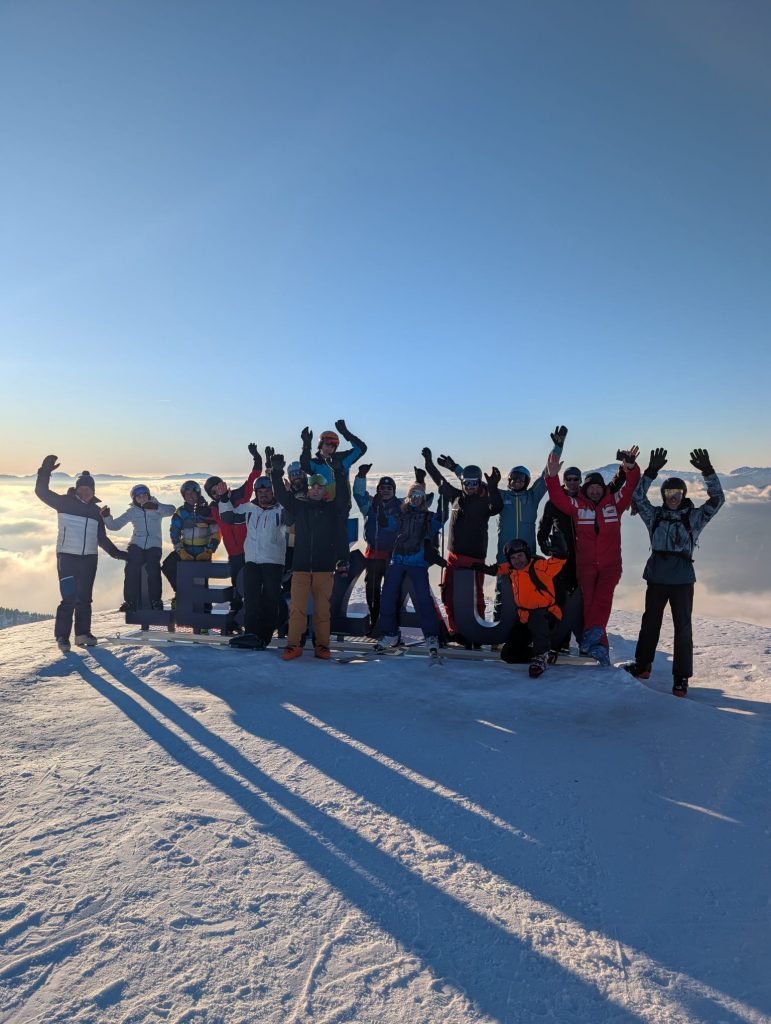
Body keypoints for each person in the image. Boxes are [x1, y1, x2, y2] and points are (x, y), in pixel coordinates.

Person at [624, 448, 725, 697]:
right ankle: (643, 666)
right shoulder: (655, 516)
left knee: (682, 628)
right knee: (650, 623)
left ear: (683, 494)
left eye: (677, 493)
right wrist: (650, 471)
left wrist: (708, 471)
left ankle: (680, 678)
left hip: (679, 581)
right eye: (669, 493)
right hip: (659, 579)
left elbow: (718, 499)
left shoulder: (694, 517)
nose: (673, 497)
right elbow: (637, 497)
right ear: (664, 495)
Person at [437, 427, 567, 620]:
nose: (516, 482)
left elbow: (547, 474)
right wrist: (455, 467)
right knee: (503, 594)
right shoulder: (501, 497)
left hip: (528, 557)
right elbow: (474, 482)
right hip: (505, 556)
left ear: (526, 481)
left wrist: (557, 447)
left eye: (521, 479)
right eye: (513, 479)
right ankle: (499, 625)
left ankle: (527, 628)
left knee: (529, 593)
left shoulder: (532, 497)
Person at [545, 447, 640, 665]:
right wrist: (551, 476)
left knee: (603, 599)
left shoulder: (615, 504)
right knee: (589, 605)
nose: (595, 491)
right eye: (591, 488)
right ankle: (600, 648)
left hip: (610, 565)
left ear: (603, 489)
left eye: (598, 487)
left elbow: (631, 484)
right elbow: (558, 498)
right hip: (586, 565)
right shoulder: (578, 506)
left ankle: (591, 638)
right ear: (585, 490)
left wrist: (631, 467)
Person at [35, 457, 128, 650]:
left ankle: (82, 634)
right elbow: (41, 492)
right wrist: (45, 472)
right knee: (69, 598)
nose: (85, 492)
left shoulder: (96, 511)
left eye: (89, 490)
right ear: (76, 489)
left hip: (89, 559)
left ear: (93, 492)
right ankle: (62, 637)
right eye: (82, 489)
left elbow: (101, 538)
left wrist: (118, 554)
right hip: (67, 557)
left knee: (84, 598)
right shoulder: (64, 503)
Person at [270, 454, 350, 660]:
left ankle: (322, 646)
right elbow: (281, 496)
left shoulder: (332, 509)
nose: (315, 489)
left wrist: (339, 472)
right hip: (301, 567)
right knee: (297, 610)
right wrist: (276, 473)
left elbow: (343, 498)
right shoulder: (299, 507)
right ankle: (294, 645)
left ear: (324, 491)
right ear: (308, 489)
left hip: (324, 568)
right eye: (312, 486)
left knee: (322, 611)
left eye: (319, 487)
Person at [422, 448, 502, 643]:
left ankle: (478, 631)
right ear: (462, 483)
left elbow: (497, 507)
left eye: (474, 483)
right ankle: (455, 630)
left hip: (475, 558)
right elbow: (438, 479)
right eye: (467, 483)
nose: (470, 487)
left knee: (476, 595)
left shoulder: (485, 501)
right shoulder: (456, 497)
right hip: (453, 556)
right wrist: (428, 462)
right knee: (448, 593)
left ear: (479, 483)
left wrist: (493, 487)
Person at [375, 481, 446, 657]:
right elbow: (388, 525)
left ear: (423, 498)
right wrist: (380, 512)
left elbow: (440, 520)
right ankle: (390, 634)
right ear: (408, 496)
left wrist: (443, 500)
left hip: (417, 563)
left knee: (423, 599)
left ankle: (431, 636)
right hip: (398, 560)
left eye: (419, 495)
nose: (416, 498)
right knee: (387, 598)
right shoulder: (400, 515)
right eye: (413, 494)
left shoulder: (428, 518)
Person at [483, 533, 568, 676]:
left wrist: (561, 552)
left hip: (547, 617)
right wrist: (490, 569)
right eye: (513, 558)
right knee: (508, 655)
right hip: (525, 618)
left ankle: (541, 657)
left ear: (527, 554)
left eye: (520, 556)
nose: (517, 560)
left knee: (536, 615)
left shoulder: (539, 566)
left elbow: (558, 562)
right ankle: (545, 654)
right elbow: (502, 568)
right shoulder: (512, 569)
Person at [204, 443, 263, 632]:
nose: (217, 493)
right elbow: (222, 519)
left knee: (254, 587)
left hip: (250, 551)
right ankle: (236, 622)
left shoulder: (239, 495)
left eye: (218, 487)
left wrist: (257, 457)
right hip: (234, 554)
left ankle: (255, 621)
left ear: (224, 485)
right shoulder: (214, 507)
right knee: (238, 589)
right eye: (213, 492)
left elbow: (254, 477)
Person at [230, 475, 289, 650]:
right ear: (256, 493)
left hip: (273, 562)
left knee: (270, 601)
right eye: (260, 491)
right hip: (252, 561)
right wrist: (224, 499)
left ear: (273, 492)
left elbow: (291, 520)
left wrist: (288, 497)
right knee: (250, 600)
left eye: (267, 491)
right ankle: (250, 635)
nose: (263, 494)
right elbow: (228, 517)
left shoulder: (280, 509)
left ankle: (264, 638)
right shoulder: (249, 508)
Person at [101, 484, 175, 611]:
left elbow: (172, 510)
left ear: (149, 495)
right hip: (136, 544)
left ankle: (156, 601)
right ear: (134, 499)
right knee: (131, 567)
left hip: (154, 545)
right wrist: (107, 517)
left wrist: (157, 507)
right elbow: (115, 526)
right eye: (138, 496)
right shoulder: (132, 511)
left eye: (144, 495)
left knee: (153, 569)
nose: (142, 498)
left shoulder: (157, 507)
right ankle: (130, 602)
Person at [537, 466, 583, 655]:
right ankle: (559, 640)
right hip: (561, 559)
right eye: (568, 479)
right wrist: (546, 547)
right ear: (563, 481)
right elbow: (543, 528)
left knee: (581, 599)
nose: (572, 482)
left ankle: (582, 638)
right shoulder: (554, 502)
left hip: (583, 558)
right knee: (559, 598)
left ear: (580, 480)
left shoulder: (586, 500)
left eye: (575, 479)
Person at [352, 464, 402, 632]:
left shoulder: (400, 506)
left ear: (394, 490)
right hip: (373, 555)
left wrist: (421, 482)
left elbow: (416, 501)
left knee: (392, 592)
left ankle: (391, 626)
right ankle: (374, 623)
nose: (385, 491)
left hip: (392, 557)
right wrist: (361, 476)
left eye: (389, 488)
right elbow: (358, 495)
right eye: (382, 488)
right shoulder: (370, 505)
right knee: (372, 592)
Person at [161, 480, 221, 594]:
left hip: (203, 552)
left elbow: (216, 533)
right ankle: (180, 593)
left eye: (193, 493)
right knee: (168, 566)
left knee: (201, 584)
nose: (190, 496)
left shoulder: (207, 512)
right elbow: (174, 533)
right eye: (187, 494)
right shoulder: (181, 512)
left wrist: (209, 550)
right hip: (185, 550)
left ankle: (204, 603)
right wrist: (180, 551)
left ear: (198, 494)